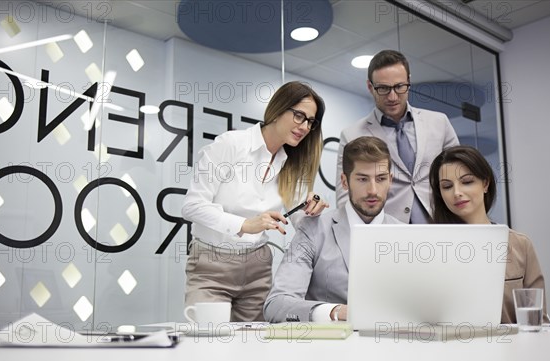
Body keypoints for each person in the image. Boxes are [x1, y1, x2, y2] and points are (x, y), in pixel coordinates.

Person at [181, 81, 330, 322]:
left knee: (253, 352)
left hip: (258, 267)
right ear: (278, 109)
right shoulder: (230, 144)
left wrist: (312, 208)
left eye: (310, 122)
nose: (304, 127)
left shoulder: (290, 163)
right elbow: (192, 206)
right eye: (299, 116)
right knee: (207, 346)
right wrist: (244, 224)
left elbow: (299, 219)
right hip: (211, 267)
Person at [264, 136, 402, 323]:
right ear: (344, 182)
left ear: (390, 180)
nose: (373, 190)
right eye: (362, 179)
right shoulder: (313, 229)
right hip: (329, 348)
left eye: (381, 179)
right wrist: (334, 312)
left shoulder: (405, 235)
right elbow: (276, 305)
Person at [429, 145, 549, 324]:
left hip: (513, 350)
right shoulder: (431, 249)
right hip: (454, 349)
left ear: (485, 184)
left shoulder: (520, 245)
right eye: (447, 186)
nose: (457, 193)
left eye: (467, 181)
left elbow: (538, 322)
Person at [336, 49, 459, 224]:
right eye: (383, 89)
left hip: (439, 225)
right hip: (387, 235)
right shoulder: (352, 135)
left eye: (400, 87)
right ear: (370, 87)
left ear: (409, 81)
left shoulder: (439, 122)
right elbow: (345, 198)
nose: (392, 96)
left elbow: (459, 177)